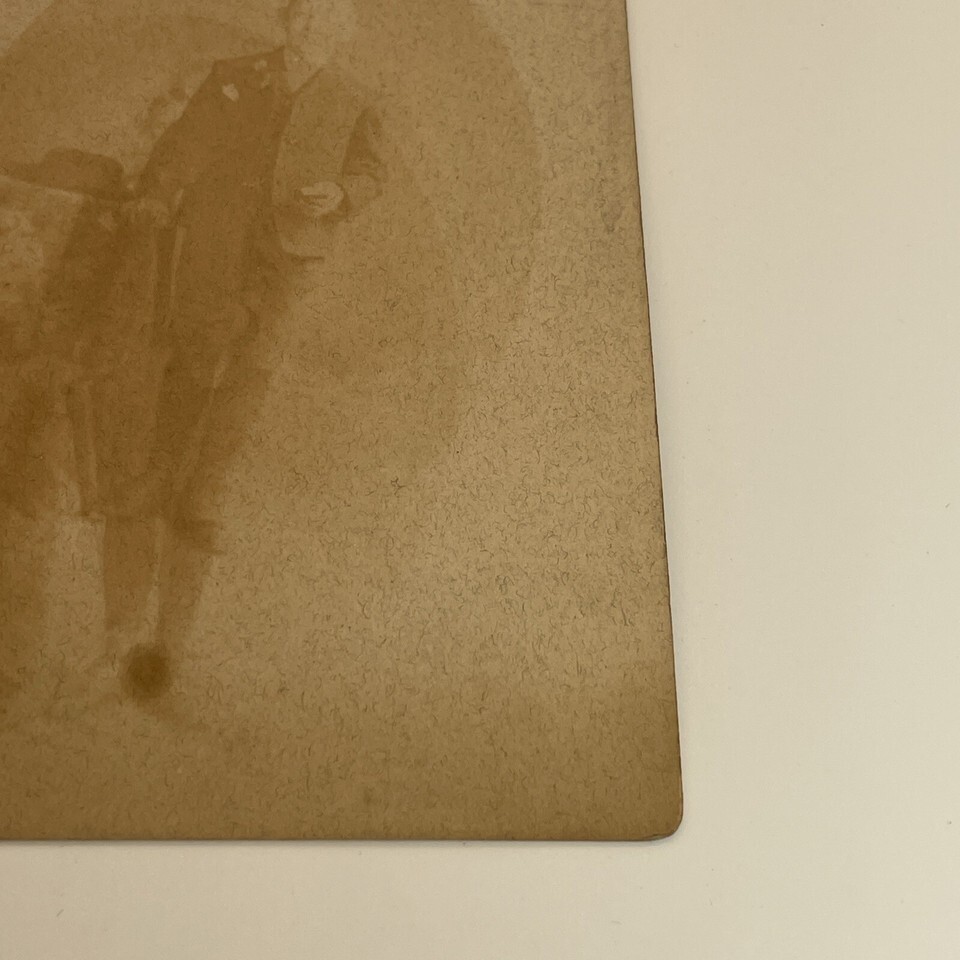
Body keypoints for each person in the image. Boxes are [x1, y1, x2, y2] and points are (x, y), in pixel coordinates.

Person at [98, 0, 384, 701]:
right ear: (288, 20)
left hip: (280, 280)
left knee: (219, 452)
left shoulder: (350, 101)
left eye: (331, 20)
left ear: (346, 33)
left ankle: (170, 650)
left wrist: (340, 192)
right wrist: (157, 196)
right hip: (209, 269)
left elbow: (371, 173)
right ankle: (119, 636)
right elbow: (181, 147)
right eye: (307, 15)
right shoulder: (232, 76)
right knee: (166, 432)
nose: (315, 29)